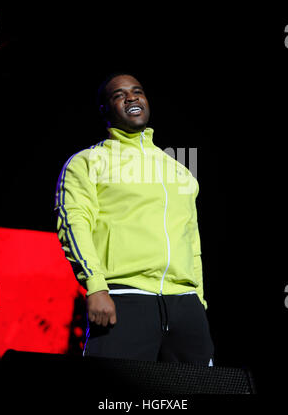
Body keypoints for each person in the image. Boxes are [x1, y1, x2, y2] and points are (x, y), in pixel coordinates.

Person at [54, 72, 214, 365]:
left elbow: (192, 240)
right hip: (123, 297)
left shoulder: (178, 170)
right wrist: (96, 286)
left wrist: (198, 301)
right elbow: (74, 224)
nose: (131, 97)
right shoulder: (87, 162)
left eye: (137, 91)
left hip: (185, 305)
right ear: (105, 110)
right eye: (119, 94)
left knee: (196, 394)